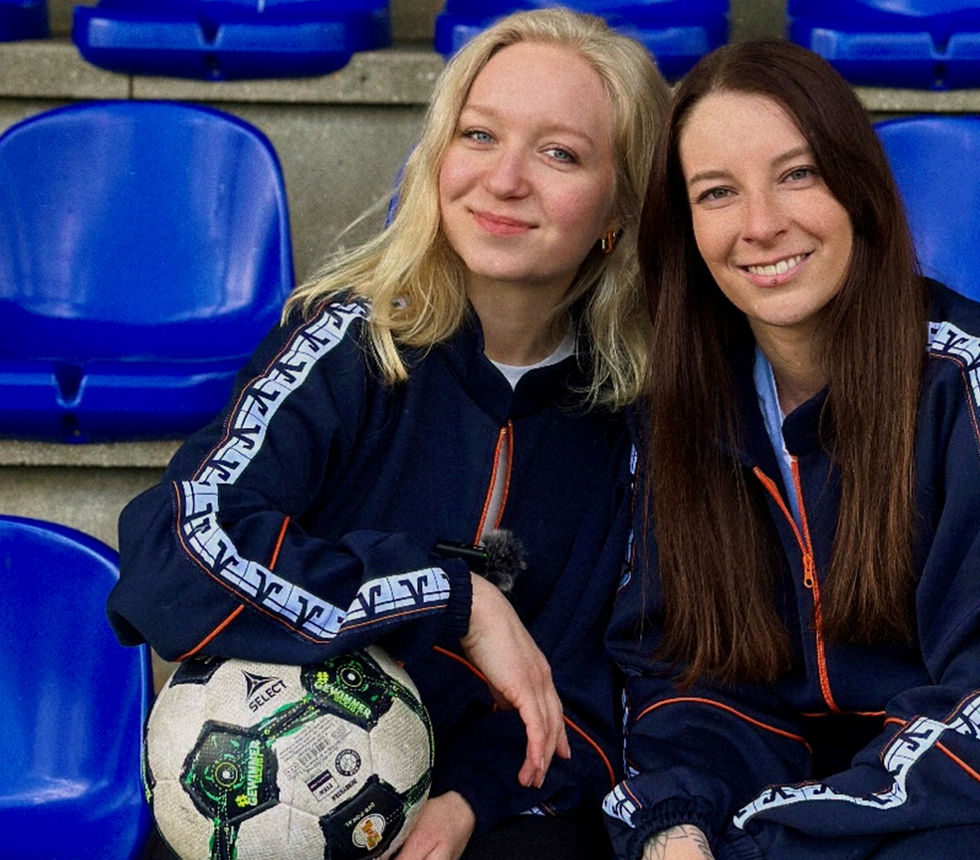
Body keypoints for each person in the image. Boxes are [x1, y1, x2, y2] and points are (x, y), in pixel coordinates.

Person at [603, 39, 980, 860]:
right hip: (836, 785)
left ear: (857, 186)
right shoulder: (684, 412)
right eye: (717, 192)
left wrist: (772, 839)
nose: (760, 224)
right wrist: (677, 821)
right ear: (685, 227)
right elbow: (686, 676)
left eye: (797, 174)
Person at [106, 8, 669, 859]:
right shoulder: (346, 344)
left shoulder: (634, 417)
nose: (504, 179)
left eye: (560, 153)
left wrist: (469, 800)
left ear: (618, 210)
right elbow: (174, 547)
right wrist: (450, 599)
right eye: (479, 135)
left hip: (489, 817)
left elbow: (604, 695)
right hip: (269, 801)